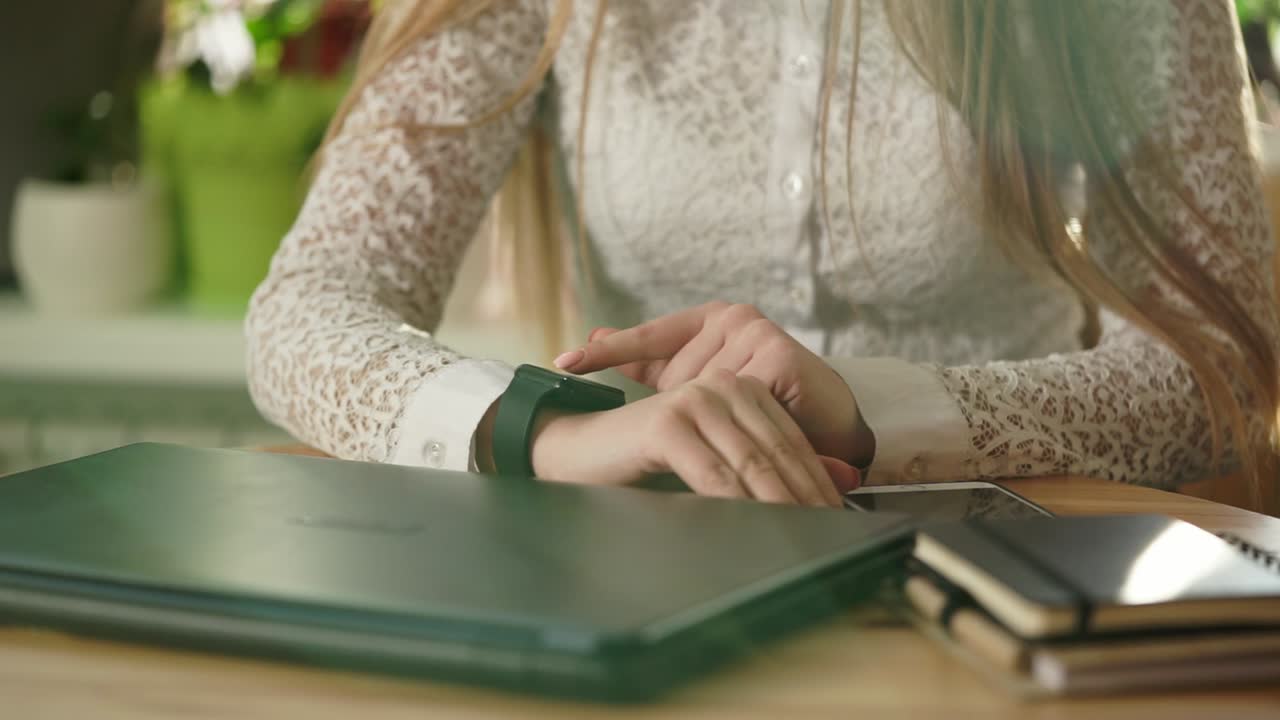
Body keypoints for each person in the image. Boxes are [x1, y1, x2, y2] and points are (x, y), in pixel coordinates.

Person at [246, 0, 1280, 510]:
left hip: (1005, 562)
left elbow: (1219, 366)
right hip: (646, 561)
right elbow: (302, 310)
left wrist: (873, 410)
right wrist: (549, 432)